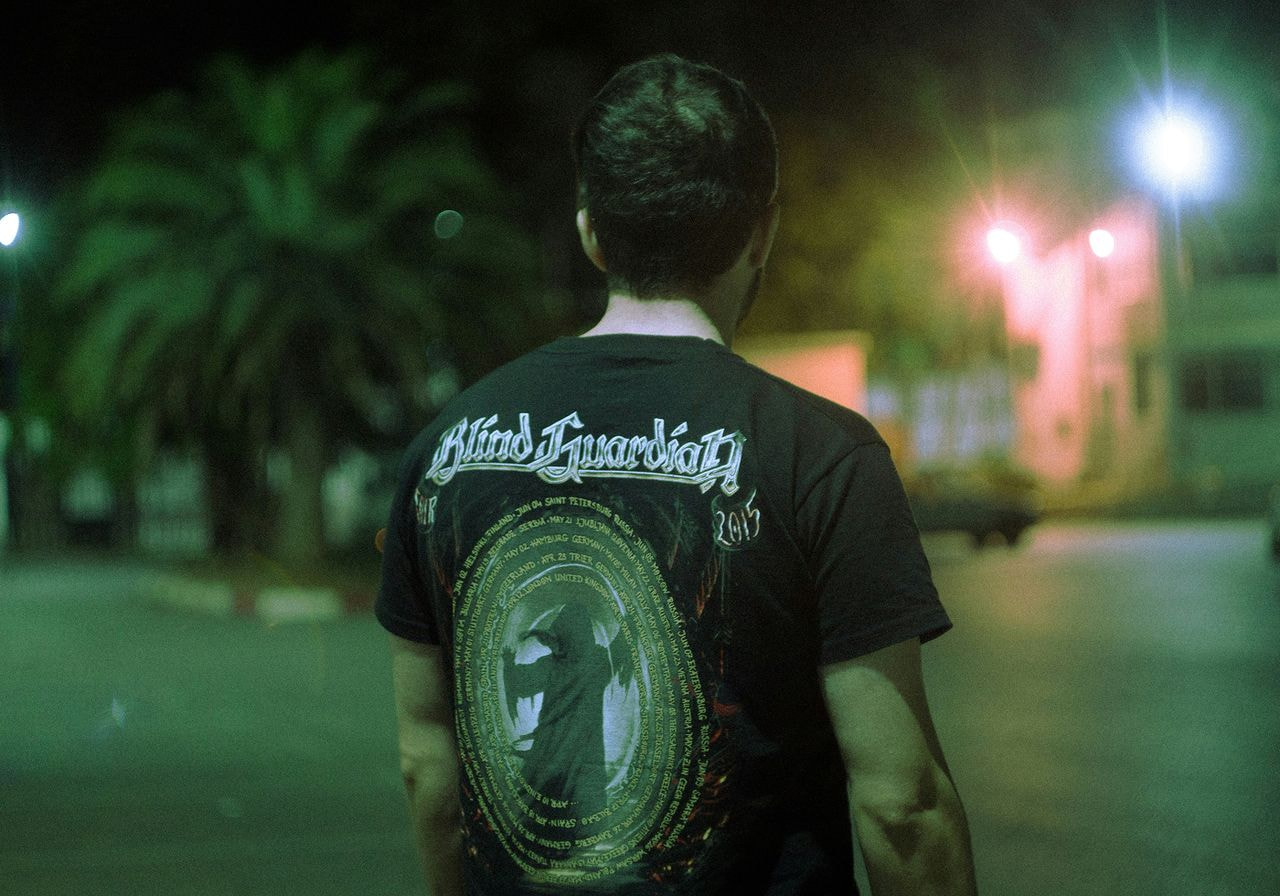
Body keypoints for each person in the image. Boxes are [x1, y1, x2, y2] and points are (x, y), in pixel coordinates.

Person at [376, 53, 978, 895]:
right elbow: (902, 806)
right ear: (761, 230)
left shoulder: (444, 450)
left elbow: (425, 763)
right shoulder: (819, 455)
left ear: (591, 230)